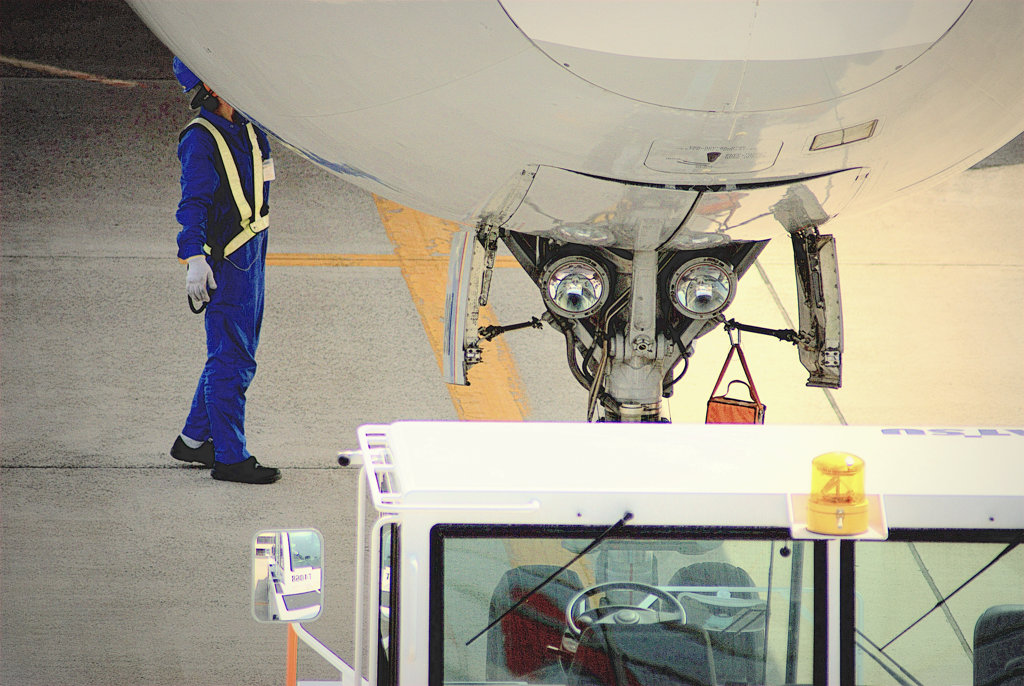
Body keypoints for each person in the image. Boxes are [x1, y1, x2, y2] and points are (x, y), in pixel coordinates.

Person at [168, 56, 280, 484]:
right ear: (212, 88)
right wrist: (194, 256)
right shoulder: (200, 139)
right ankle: (231, 457)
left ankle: (194, 440)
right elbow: (192, 202)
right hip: (229, 259)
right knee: (233, 358)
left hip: (253, 247)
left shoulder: (248, 126)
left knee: (232, 353)